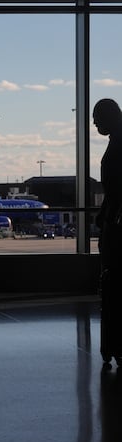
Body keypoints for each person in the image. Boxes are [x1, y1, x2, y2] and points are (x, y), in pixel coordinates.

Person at [93, 98, 122, 365]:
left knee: (113, 282)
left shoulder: (118, 144)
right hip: (112, 218)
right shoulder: (116, 141)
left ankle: (113, 342)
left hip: (116, 223)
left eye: (96, 117)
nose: (94, 122)